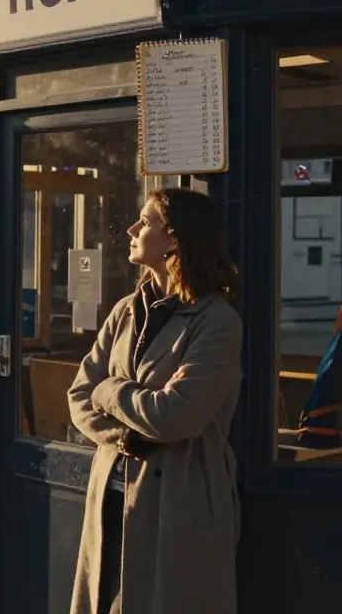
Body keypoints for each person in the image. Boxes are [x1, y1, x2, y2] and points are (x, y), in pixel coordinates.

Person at [66, 187, 243, 614]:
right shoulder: (126, 309)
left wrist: (110, 390)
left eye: (145, 222)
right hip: (110, 493)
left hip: (175, 505)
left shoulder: (216, 321)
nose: (132, 228)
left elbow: (176, 416)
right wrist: (129, 433)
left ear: (175, 239)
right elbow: (77, 396)